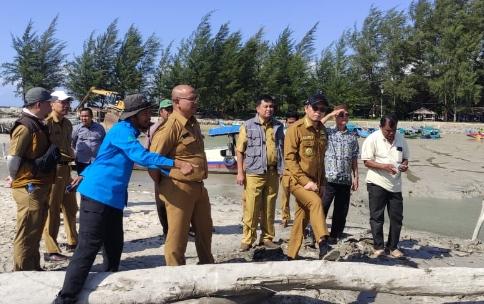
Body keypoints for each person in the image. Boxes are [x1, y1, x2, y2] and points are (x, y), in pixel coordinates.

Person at [53, 94, 195, 304]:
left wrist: (170, 175)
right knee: (87, 249)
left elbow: (105, 157)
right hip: (98, 195)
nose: (150, 117)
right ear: (134, 115)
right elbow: (141, 156)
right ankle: (65, 298)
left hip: (114, 199)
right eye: (146, 113)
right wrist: (176, 163)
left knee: (113, 248)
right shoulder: (121, 131)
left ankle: (105, 292)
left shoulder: (128, 132)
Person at [149, 85, 214, 266]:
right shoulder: (169, 127)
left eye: (196, 98)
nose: (196, 102)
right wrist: (165, 184)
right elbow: (152, 161)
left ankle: (206, 268)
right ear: (177, 102)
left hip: (199, 186)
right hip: (178, 187)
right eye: (191, 99)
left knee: (205, 231)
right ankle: (175, 275)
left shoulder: (193, 122)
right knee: (177, 237)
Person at [7, 87, 58, 271]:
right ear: (38, 104)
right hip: (28, 186)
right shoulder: (25, 127)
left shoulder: (37, 123)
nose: (51, 106)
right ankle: (22, 271)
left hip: (38, 185)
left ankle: (33, 266)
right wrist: (13, 177)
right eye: (48, 103)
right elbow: (13, 158)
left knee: (35, 230)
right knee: (27, 232)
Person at [283, 92, 334, 260]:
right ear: (307, 108)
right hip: (295, 179)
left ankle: (291, 255)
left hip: (315, 181)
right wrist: (305, 182)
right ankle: (323, 245)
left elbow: (320, 160)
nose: (318, 112)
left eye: (322, 109)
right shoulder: (295, 129)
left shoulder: (322, 130)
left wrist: (323, 182)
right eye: (315, 108)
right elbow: (290, 160)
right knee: (315, 202)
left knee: (302, 217)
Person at [236, 95, 284, 252]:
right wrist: (240, 173)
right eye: (266, 106)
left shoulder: (278, 126)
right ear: (258, 108)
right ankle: (248, 239)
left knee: (269, 207)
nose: (269, 109)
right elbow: (240, 150)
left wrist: (282, 170)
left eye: (271, 106)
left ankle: (267, 238)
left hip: (272, 172)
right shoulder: (248, 125)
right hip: (253, 172)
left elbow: (281, 149)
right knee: (251, 207)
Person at [361, 113, 409, 258]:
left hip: (395, 185)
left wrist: (405, 166)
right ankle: (378, 247)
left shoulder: (400, 138)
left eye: (393, 130)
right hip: (377, 182)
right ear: (381, 127)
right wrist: (384, 166)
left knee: (397, 218)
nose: (391, 133)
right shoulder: (372, 139)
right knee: (377, 216)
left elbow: (405, 158)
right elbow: (367, 161)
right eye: (388, 130)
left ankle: (393, 247)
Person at [43, 90, 80, 262]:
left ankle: (73, 241)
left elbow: (68, 147)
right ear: (52, 104)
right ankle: (51, 249)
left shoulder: (67, 124)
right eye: (62, 102)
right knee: (52, 210)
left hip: (66, 170)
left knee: (71, 208)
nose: (66, 105)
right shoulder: (47, 123)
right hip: (53, 170)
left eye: (67, 102)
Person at [320, 105, 359, 243]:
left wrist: (356, 177)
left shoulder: (352, 137)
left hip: (345, 180)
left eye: (346, 115)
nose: (344, 117)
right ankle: (319, 233)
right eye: (341, 115)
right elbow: (316, 125)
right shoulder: (328, 132)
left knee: (341, 211)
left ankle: (335, 235)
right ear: (336, 117)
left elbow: (354, 158)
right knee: (322, 207)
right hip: (329, 179)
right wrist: (331, 114)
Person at [147, 98, 173, 236]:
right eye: (167, 110)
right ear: (161, 112)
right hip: (160, 171)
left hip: (175, 171)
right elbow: (149, 152)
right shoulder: (154, 128)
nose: (170, 112)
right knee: (161, 203)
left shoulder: (178, 125)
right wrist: (156, 176)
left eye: (172, 109)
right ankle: (166, 230)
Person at [71, 107, 106, 175]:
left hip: (96, 160)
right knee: (81, 181)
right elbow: (72, 143)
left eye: (86, 116)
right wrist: (75, 154)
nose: (84, 118)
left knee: (94, 180)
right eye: (82, 116)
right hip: (81, 161)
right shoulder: (76, 129)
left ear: (91, 116)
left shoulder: (100, 128)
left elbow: (104, 142)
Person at [280, 112, 299, 228]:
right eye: (289, 122)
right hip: (285, 169)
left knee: (299, 196)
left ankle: (298, 217)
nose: (291, 124)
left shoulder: (300, 133)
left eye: (293, 122)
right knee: (284, 196)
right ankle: (285, 217)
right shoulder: (283, 135)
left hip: (298, 170)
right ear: (286, 123)